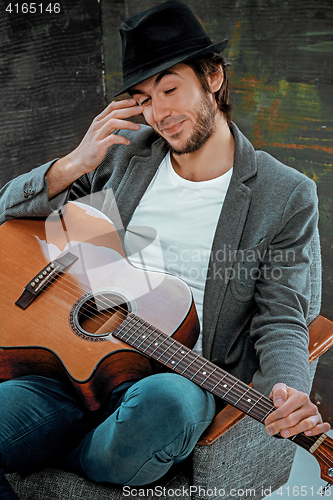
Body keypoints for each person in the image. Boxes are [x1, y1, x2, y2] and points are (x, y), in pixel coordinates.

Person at [0, 1, 330, 498]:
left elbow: (283, 315)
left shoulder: (283, 195)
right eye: (144, 98)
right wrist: (74, 161)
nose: (159, 114)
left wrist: (288, 387)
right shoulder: (126, 157)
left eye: (170, 89)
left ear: (213, 77)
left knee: (169, 405)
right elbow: (9, 211)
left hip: (172, 381)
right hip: (68, 367)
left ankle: (66, 453)